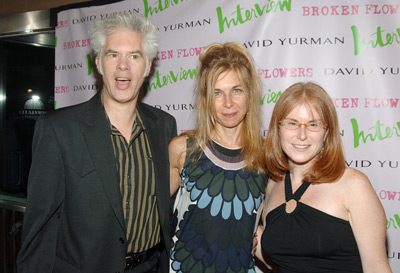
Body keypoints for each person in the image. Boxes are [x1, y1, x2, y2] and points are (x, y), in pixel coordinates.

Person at [17, 13, 177, 273]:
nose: (123, 66)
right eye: (113, 55)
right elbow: (39, 230)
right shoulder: (59, 130)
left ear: (148, 67)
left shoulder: (164, 126)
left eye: (134, 56)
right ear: (98, 63)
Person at [254, 82, 392, 273]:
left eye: (313, 124)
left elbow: (377, 269)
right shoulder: (273, 184)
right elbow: (284, 262)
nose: (302, 135)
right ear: (278, 128)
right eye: (292, 123)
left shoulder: (353, 185)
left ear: (327, 132)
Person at [168, 42, 268, 273]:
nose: (228, 103)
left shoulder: (266, 156)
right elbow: (149, 213)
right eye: (217, 93)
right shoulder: (183, 150)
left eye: (236, 90)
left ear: (250, 94)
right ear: (205, 99)